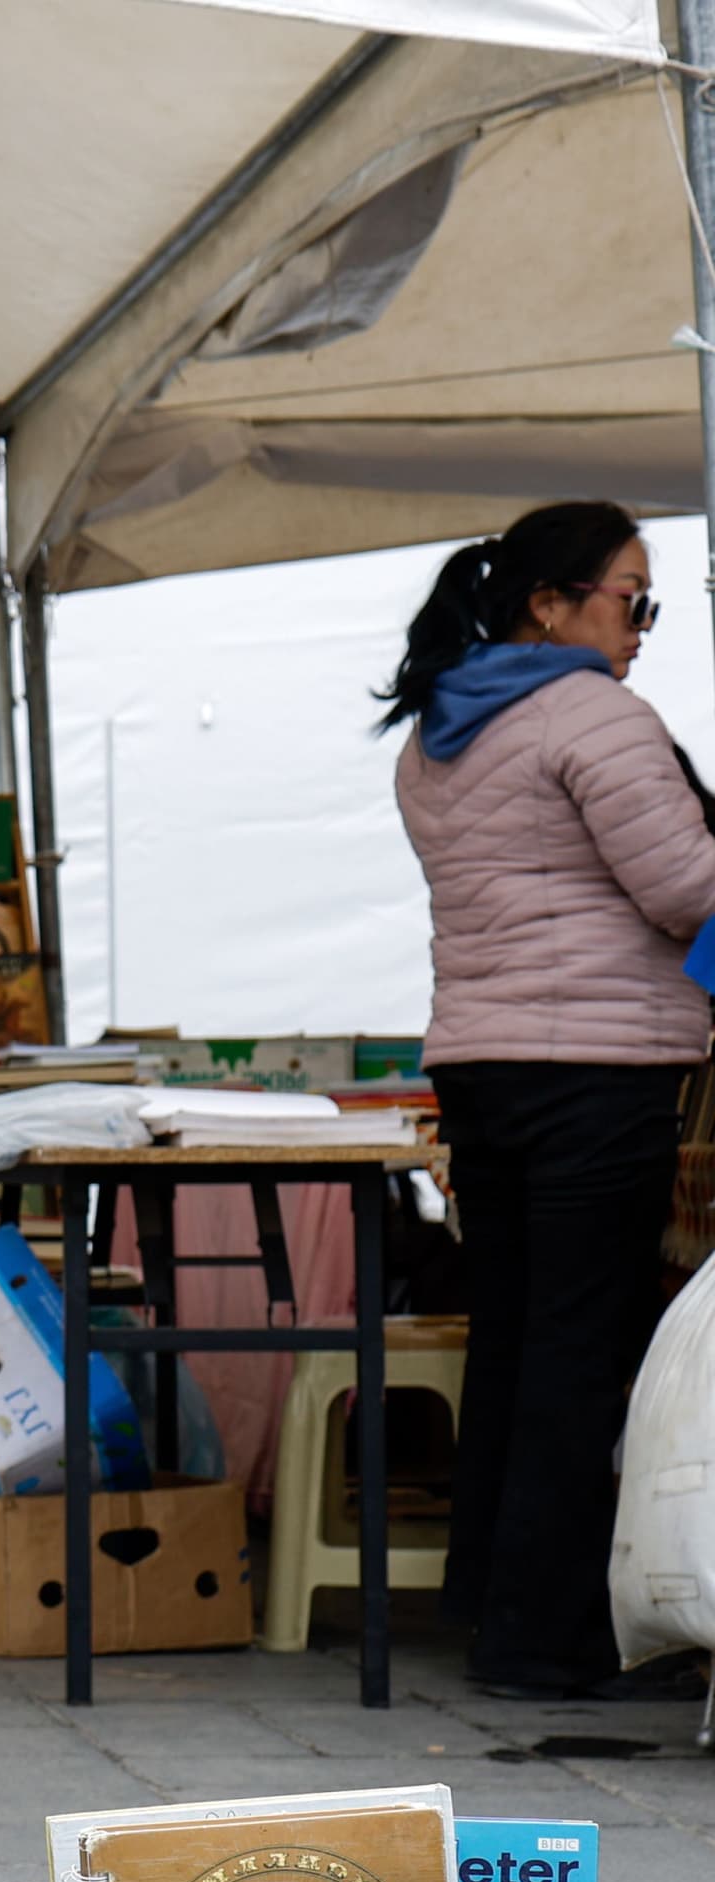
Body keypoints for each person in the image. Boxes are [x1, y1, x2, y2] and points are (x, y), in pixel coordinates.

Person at [378, 501, 715, 1699]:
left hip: (483, 1064)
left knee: (516, 1339)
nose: (643, 627)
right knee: (583, 1348)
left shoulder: (443, 729)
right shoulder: (593, 714)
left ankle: (489, 1602)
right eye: (633, 598)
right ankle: (544, 1636)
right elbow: (684, 887)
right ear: (550, 604)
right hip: (597, 1069)